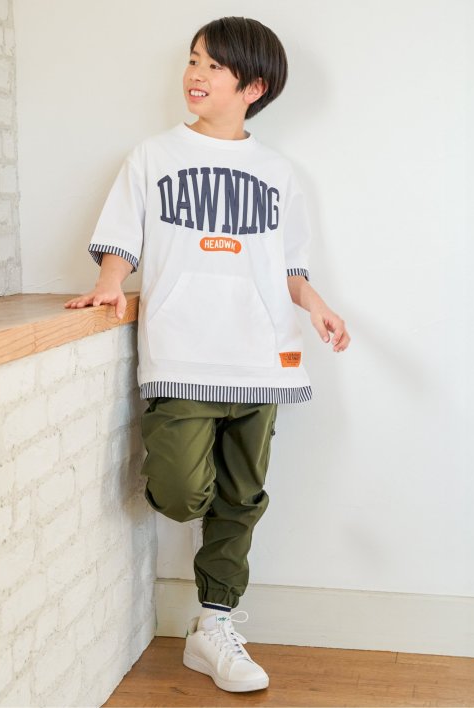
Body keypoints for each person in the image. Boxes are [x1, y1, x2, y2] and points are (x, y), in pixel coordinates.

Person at [65, 16, 351, 693]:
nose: (195, 74)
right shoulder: (153, 156)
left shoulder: (278, 172)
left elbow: (290, 265)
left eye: (215, 66)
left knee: (242, 496)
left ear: (254, 87)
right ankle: (211, 590)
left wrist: (316, 305)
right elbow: (122, 235)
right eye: (194, 59)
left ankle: (213, 625)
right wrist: (109, 282)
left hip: (261, 357)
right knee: (180, 492)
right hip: (182, 353)